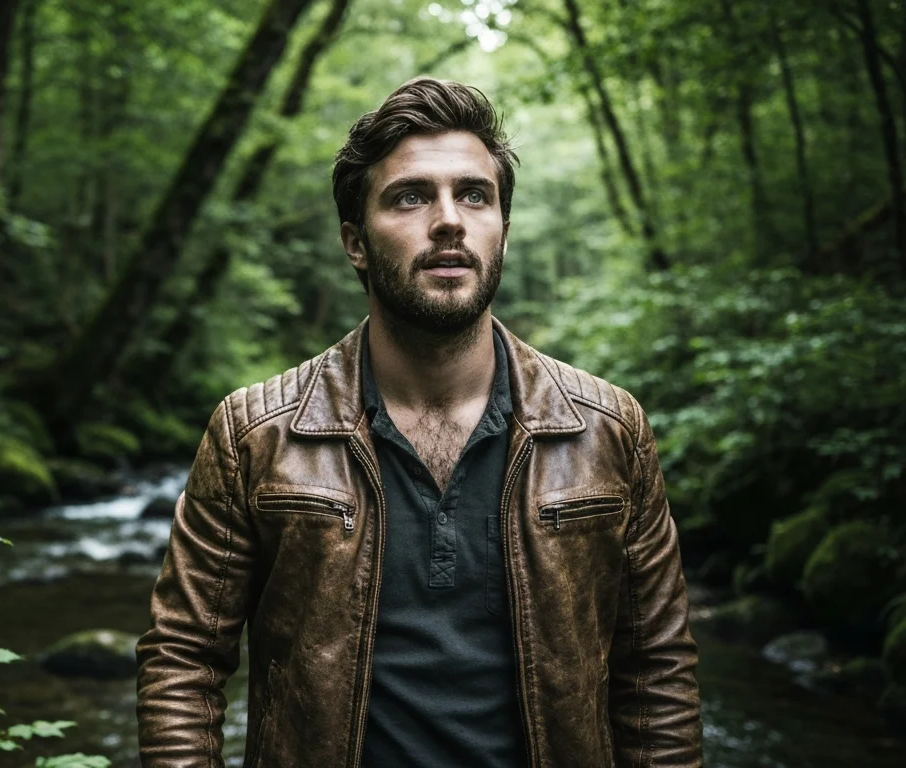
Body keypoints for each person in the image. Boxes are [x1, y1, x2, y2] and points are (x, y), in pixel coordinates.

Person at [135, 77, 702, 768]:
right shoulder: (255, 434)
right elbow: (183, 660)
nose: (449, 220)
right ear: (356, 242)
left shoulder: (607, 429)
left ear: (502, 228)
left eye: (474, 194)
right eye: (410, 196)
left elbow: (657, 672)